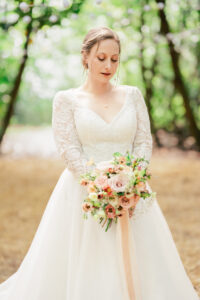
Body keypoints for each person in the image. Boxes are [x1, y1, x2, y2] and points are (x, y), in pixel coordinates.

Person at [0, 26, 199, 300]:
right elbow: (68, 148)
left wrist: (132, 181)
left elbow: (143, 141)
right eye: (101, 57)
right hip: (84, 191)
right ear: (85, 57)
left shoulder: (132, 95)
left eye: (115, 59)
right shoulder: (66, 100)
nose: (108, 65)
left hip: (132, 192)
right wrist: (101, 184)